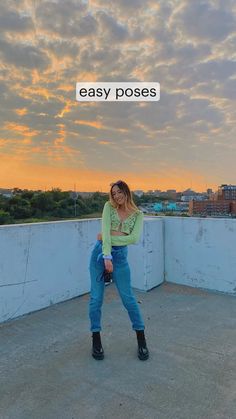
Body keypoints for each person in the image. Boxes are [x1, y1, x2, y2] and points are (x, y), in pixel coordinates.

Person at [89, 180, 149, 361]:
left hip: (120, 258)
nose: (116, 196)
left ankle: (141, 340)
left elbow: (134, 239)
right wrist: (107, 256)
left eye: (119, 192)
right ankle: (96, 338)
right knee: (96, 299)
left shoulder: (138, 215)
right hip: (99, 256)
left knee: (129, 299)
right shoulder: (108, 206)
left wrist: (109, 239)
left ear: (126, 191)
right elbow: (104, 232)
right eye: (113, 193)